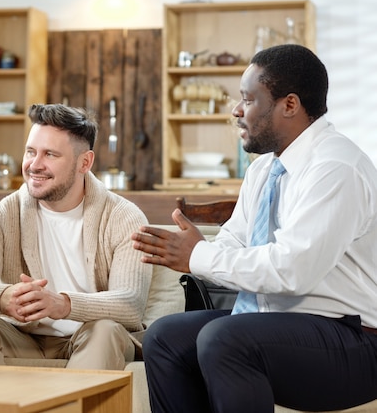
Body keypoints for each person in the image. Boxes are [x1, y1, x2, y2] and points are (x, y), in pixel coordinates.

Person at [131, 43, 377, 412]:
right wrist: (200, 251)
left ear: (289, 105)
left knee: (225, 339)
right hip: (276, 325)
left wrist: (200, 256)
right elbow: (233, 242)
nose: (236, 110)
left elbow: (292, 271)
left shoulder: (336, 168)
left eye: (248, 99)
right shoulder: (264, 170)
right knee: (165, 336)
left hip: (353, 340)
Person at [0, 103, 152, 370]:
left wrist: (63, 304)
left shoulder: (125, 218)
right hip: (22, 337)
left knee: (104, 331)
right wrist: (3, 297)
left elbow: (130, 305)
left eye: (50, 155)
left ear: (84, 162)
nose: (34, 164)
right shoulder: (0, 216)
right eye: (30, 152)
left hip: (88, 338)